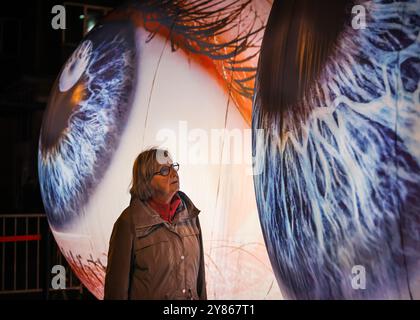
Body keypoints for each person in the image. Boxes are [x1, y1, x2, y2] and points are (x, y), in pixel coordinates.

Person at [104, 147, 207, 300]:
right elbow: (116, 293)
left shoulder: (190, 216)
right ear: (146, 181)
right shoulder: (128, 223)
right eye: (164, 170)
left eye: (173, 166)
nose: (174, 173)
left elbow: (200, 283)